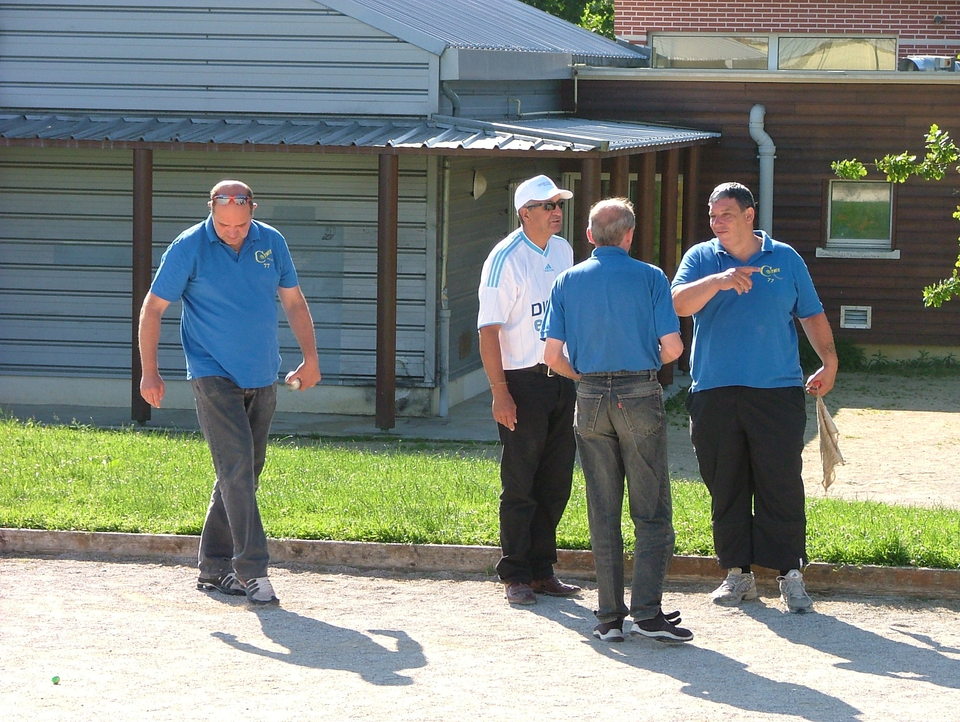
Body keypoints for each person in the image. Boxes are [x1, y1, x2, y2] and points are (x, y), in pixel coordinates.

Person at [138, 179, 321, 605]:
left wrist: (311, 358)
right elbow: (153, 308)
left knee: (243, 474)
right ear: (212, 212)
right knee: (237, 472)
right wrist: (150, 372)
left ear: (252, 210)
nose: (233, 232)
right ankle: (253, 571)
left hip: (262, 373)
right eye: (224, 225)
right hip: (211, 372)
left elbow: (294, 302)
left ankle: (213, 568)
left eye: (241, 225)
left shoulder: (271, 241)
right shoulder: (188, 246)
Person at [671, 181, 838, 614]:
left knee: (779, 482)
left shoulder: (784, 258)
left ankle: (790, 574)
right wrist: (719, 280)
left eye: (725, 213)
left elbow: (811, 313)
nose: (717, 221)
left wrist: (830, 361)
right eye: (712, 214)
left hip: (777, 391)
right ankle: (737, 574)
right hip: (713, 390)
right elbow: (679, 304)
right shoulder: (701, 258)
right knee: (725, 483)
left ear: (750, 215)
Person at [542, 198, 692, 643]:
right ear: (629, 235)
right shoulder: (650, 277)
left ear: (589, 236)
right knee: (651, 511)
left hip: (589, 397)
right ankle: (647, 611)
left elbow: (552, 356)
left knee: (602, 509)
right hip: (639, 392)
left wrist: (585, 376)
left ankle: (609, 617)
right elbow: (673, 348)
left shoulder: (566, 281)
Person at [477, 174, 581, 606]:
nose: (557, 212)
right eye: (547, 205)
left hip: (562, 378)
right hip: (521, 380)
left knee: (555, 480)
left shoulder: (564, 250)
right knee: (520, 481)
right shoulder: (504, 258)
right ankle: (515, 573)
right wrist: (500, 392)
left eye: (559, 204)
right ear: (525, 212)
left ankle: (543, 569)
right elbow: (487, 331)